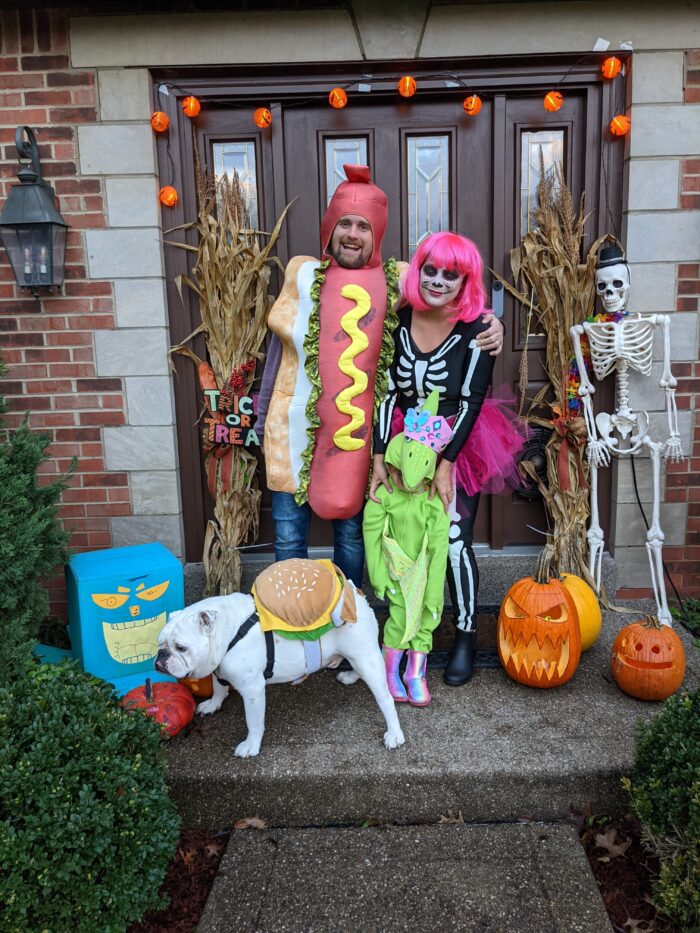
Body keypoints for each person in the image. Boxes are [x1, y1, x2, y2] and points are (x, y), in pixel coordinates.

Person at [256, 167, 505, 587]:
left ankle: (353, 627)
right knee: (287, 535)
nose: (352, 234)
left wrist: (490, 323)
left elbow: (450, 298)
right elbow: (279, 355)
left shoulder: (397, 282)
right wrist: (263, 419)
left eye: (363, 226)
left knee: (353, 538)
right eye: (344, 224)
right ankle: (288, 631)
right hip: (292, 428)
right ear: (330, 228)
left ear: (377, 234)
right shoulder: (303, 279)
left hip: (363, 435)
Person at [370, 232, 525, 685]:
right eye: (431, 270)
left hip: (461, 441)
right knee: (403, 539)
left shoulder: (478, 329)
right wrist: (380, 456)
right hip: (403, 442)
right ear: (418, 271)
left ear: (465, 280)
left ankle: (465, 637)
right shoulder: (396, 321)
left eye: (451, 274)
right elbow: (385, 394)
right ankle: (407, 632)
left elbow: (474, 400)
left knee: (454, 540)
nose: (438, 280)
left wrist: (446, 464)